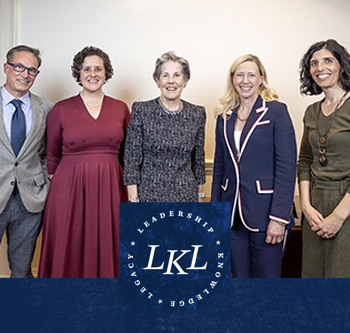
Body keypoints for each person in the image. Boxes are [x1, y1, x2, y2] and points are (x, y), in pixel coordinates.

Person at [38, 46, 130, 278]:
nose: (93, 74)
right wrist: (64, 189)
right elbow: (52, 155)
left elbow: (127, 153)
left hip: (111, 186)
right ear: (78, 74)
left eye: (98, 69)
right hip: (69, 188)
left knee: (110, 240)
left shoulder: (121, 108)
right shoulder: (61, 109)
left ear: (106, 72)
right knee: (71, 241)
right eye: (86, 69)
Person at [211, 54, 297, 278]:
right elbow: (219, 167)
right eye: (239, 75)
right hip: (232, 216)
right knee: (239, 281)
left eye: (251, 74)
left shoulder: (276, 111)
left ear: (261, 78)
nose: (245, 80)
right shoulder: (224, 117)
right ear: (232, 79)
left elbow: (287, 167)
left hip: (267, 214)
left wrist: (279, 218)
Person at [123, 51, 206, 202]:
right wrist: (133, 198)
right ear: (157, 80)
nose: (171, 81)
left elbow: (198, 160)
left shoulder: (197, 113)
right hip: (148, 195)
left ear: (185, 80)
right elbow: (131, 158)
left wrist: (200, 197)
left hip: (186, 195)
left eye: (177, 75)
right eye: (165, 75)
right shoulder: (142, 110)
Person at [298, 39, 350, 278]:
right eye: (314, 63)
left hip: (345, 204)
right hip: (315, 206)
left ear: (341, 64)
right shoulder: (311, 111)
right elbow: (305, 160)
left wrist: (338, 216)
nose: (320, 67)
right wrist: (307, 207)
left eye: (328, 60)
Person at [0, 45, 53, 278]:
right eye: (19, 67)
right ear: (6, 68)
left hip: (29, 201)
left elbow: (47, 154)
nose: (25, 74)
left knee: (22, 270)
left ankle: (18, 313)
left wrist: (43, 184)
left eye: (32, 70)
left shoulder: (47, 109)